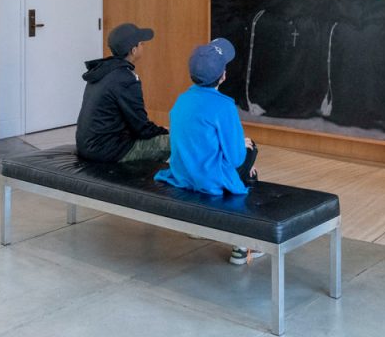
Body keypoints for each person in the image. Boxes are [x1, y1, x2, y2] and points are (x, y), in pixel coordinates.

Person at [153, 38, 262, 265]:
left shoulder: (181, 100)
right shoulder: (224, 105)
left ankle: (198, 226)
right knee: (251, 152)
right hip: (208, 179)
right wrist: (245, 152)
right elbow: (236, 157)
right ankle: (242, 245)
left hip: (182, 174)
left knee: (241, 152)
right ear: (223, 76)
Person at [75, 23, 170, 163]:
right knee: (178, 141)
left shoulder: (103, 70)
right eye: (142, 44)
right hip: (107, 151)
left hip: (88, 146)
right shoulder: (126, 79)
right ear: (134, 50)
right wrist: (164, 131)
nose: (143, 46)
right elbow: (141, 128)